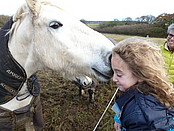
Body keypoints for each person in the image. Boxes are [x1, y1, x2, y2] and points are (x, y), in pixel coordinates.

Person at [111, 37, 174, 131]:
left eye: (119, 74)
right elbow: (124, 101)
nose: (114, 79)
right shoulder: (133, 89)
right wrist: (118, 118)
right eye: (113, 72)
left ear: (141, 74)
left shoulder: (142, 119)